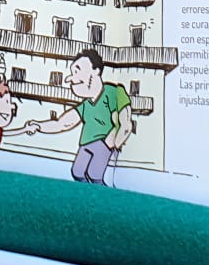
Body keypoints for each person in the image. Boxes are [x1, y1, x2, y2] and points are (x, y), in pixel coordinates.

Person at [25, 48, 132, 185]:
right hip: (86, 143)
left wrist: (110, 144)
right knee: (77, 172)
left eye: (78, 71)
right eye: (72, 72)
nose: (70, 78)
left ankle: (102, 193)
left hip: (104, 143)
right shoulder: (85, 105)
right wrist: (39, 126)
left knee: (94, 174)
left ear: (96, 70)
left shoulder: (113, 92)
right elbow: (62, 123)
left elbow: (125, 124)